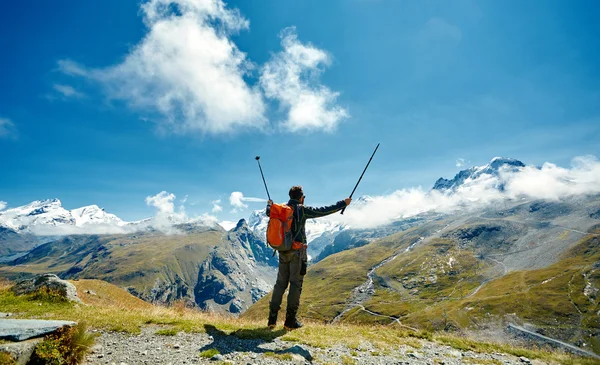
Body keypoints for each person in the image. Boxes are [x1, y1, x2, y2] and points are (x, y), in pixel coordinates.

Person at [266, 185, 351, 330]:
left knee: (280, 284)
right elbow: (324, 210)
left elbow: (269, 212)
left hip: (282, 251)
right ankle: (290, 321)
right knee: (295, 285)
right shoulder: (302, 209)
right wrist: (343, 204)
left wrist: (269, 205)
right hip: (297, 253)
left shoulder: (281, 210)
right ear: (301, 197)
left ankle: (272, 320)